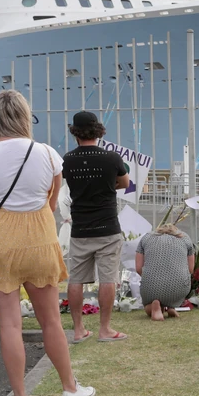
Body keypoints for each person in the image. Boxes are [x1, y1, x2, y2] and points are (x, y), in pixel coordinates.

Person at [0, 90, 94, 396]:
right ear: (24, 117)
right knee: (50, 320)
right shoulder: (48, 154)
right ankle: (70, 388)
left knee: (10, 324)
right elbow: (50, 203)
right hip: (39, 242)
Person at [62, 111, 129, 343]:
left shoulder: (67, 159)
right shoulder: (111, 158)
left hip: (80, 227)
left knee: (76, 279)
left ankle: (79, 330)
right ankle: (105, 329)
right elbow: (125, 183)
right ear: (98, 131)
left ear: (75, 132)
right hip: (107, 226)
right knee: (108, 277)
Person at [135, 224, 195, 321]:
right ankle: (171, 307)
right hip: (178, 288)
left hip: (151, 287)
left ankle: (155, 306)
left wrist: (151, 277)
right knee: (171, 289)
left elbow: (138, 268)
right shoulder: (185, 238)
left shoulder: (146, 238)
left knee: (148, 306)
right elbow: (190, 270)